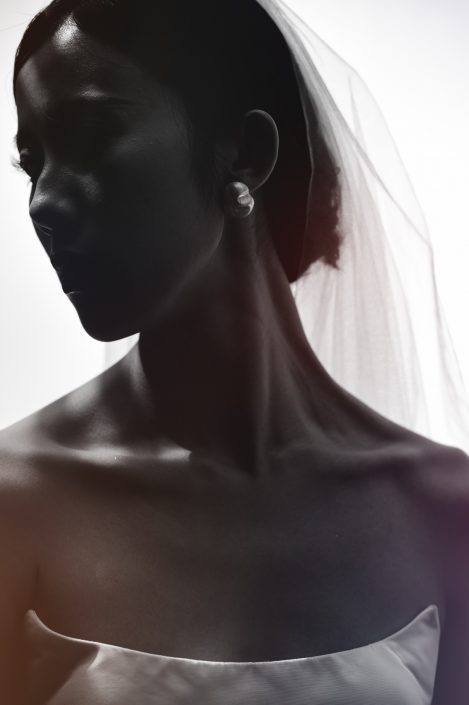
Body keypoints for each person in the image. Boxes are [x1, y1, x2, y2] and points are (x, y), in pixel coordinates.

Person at [1, 0, 468, 703]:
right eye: (33, 163)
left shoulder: (445, 510)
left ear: (245, 153)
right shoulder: (15, 502)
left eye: (91, 136)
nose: (41, 203)